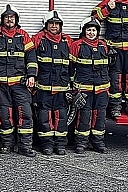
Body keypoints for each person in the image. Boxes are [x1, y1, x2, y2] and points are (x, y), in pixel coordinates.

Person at [0, 4, 38, 157]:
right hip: (1, 85)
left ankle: (25, 146)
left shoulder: (23, 36)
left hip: (20, 85)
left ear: (16, 19)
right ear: (2, 20)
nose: (9, 20)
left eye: (12, 17)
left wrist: (32, 75)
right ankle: (7, 144)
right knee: (5, 116)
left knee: (25, 115)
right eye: (7, 17)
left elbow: (31, 58)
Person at [31, 10, 72, 155]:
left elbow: (74, 64)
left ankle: (60, 145)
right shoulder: (37, 39)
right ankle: (46, 145)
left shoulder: (68, 41)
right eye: (51, 23)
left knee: (61, 116)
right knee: (44, 117)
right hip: (43, 88)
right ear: (46, 25)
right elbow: (30, 60)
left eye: (57, 23)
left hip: (62, 88)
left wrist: (73, 86)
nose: (54, 26)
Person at [69, 17, 111, 154]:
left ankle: (98, 142)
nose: (91, 33)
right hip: (84, 88)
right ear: (83, 31)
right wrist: (72, 88)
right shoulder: (77, 45)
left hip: (102, 88)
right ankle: (81, 143)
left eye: (94, 30)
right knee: (84, 116)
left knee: (99, 116)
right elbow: (71, 67)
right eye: (89, 30)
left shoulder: (103, 45)